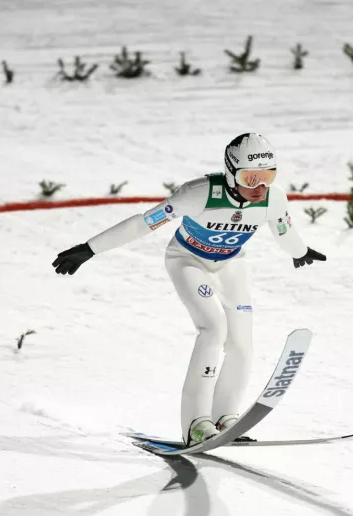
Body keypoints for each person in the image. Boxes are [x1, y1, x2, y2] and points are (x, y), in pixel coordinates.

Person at [52, 133, 326, 446]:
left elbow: (284, 230)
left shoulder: (272, 198)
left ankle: (226, 419)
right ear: (230, 172)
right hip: (187, 261)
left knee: (242, 342)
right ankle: (196, 424)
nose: (260, 187)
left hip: (230, 265)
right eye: (251, 178)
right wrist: (90, 248)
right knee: (213, 329)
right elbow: (144, 223)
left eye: (268, 177)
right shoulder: (199, 193)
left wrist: (299, 251)